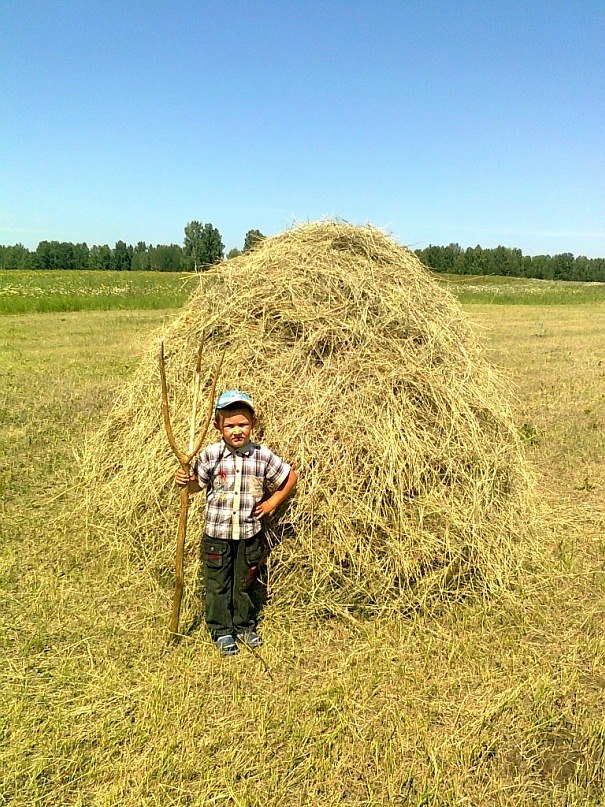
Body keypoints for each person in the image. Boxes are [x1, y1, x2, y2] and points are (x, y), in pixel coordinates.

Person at [175, 389, 297, 656]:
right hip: (216, 535)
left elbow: (290, 476)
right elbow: (198, 485)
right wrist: (186, 482)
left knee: (244, 582)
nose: (237, 430)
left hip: (248, 533)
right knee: (217, 584)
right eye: (229, 425)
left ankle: (244, 625)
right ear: (218, 426)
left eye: (243, 424)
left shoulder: (262, 456)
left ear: (252, 425)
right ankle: (221, 630)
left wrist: (272, 503)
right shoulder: (210, 455)